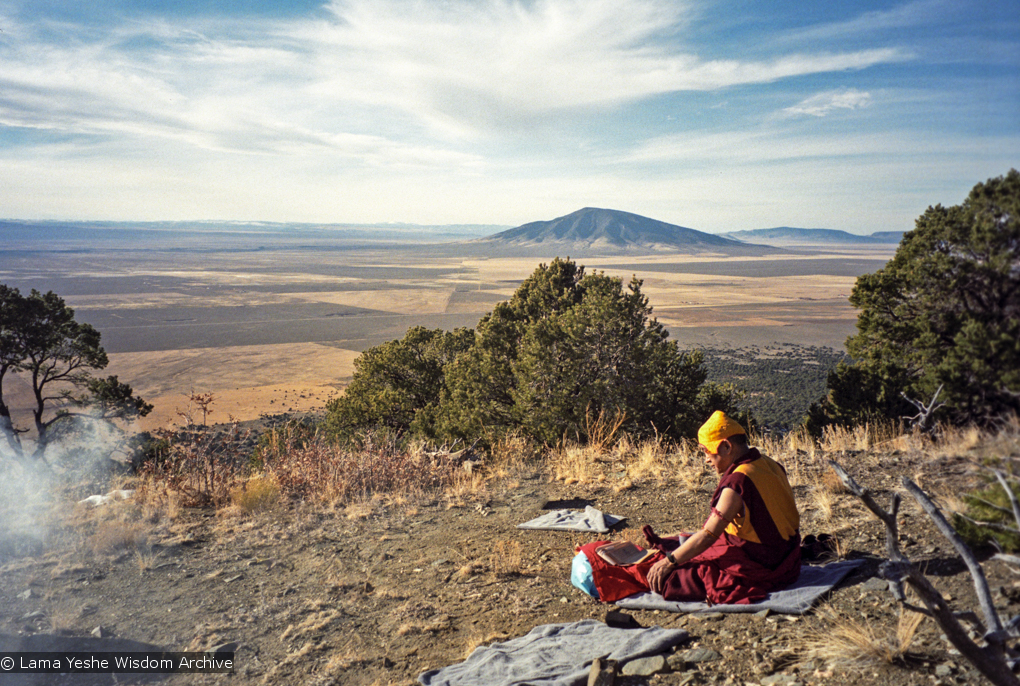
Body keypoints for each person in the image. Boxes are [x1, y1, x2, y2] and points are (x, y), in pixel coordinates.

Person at [644, 411, 801, 605]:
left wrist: (669, 562)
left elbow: (708, 535)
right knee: (679, 546)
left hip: (762, 562)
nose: (706, 459)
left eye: (706, 451)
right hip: (787, 555)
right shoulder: (770, 464)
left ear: (726, 447)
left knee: (673, 578)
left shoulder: (739, 481)